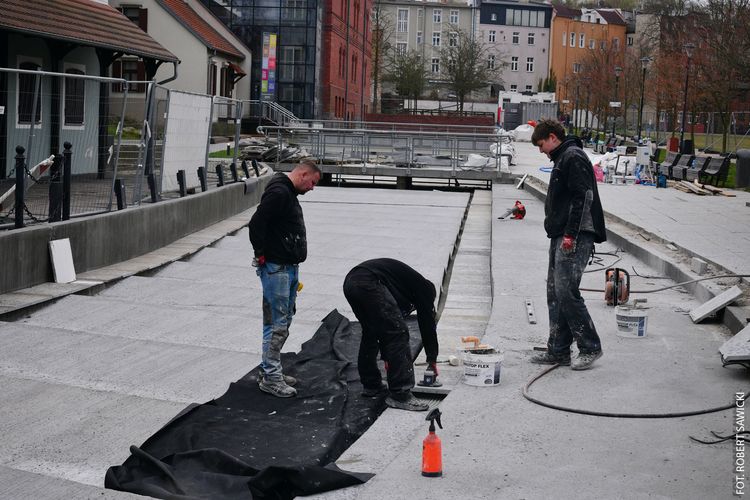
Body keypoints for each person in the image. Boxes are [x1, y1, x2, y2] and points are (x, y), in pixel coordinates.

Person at [530, 120, 606, 370]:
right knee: (555, 292)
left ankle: (590, 346)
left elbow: (583, 196)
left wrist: (571, 235)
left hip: (575, 234)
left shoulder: (572, 156)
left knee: (566, 291)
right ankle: (558, 350)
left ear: (553, 137)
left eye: (541, 144)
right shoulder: (563, 157)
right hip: (562, 233)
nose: (541, 150)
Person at [249, 160, 322, 397]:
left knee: (284, 320)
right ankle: (271, 378)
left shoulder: (287, 191)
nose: (312, 188)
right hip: (276, 268)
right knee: (276, 325)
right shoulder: (280, 192)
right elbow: (257, 222)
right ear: (303, 174)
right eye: (312, 182)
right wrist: (261, 254)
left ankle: (269, 370)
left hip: (286, 267)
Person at [342, 258, 438, 411]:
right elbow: (427, 326)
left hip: (351, 282)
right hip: (368, 282)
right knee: (398, 332)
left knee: (371, 331)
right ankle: (401, 394)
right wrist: (432, 360)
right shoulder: (424, 290)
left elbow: (384, 326)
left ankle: (371, 384)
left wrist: (388, 356)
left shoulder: (401, 285)